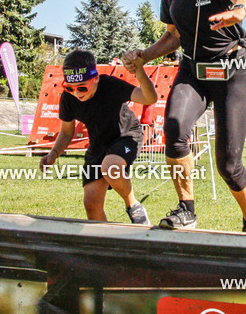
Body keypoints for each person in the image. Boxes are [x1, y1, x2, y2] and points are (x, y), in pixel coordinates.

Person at [123, 0, 246, 233]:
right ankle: (187, 210)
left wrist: (238, 11)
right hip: (193, 71)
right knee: (173, 131)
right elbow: (172, 37)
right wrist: (143, 56)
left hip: (231, 72)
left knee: (229, 165)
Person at [39, 49, 157, 225]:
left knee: (110, 166)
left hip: (126, 135)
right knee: (91, 204)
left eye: (82, 87)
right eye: (69, 88)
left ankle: (133, 205)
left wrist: (139, 71)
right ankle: (106, 239)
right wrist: (53, 154)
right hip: (98, 144)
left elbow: (149, 98)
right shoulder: (68, 99)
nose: (77, 93)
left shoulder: (110, 85)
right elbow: (66, 132)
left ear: (95, 78)